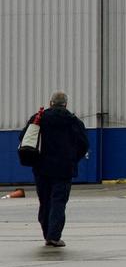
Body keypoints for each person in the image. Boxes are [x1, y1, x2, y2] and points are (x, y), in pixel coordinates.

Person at [28, 91, 87, 248]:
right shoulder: (73, 121)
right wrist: (73, 159)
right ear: (66, 104)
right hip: (64, 169)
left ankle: (47, 232)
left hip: (41, 168)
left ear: (50, 103)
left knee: (45, 201)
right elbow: (83, 144)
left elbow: (25, 138)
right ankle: (53, 236)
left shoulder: (38, 118)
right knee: (58, 202)